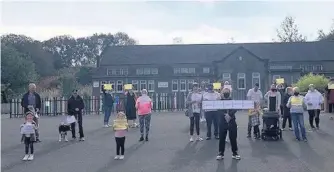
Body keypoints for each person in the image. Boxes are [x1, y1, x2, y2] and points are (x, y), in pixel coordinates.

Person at [216, 88, 240, 160]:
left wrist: (229, 115)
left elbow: (235, 109)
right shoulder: (219, 101)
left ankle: (235, 153)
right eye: (224, 92)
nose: (226, 93)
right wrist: (224, 115)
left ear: (229, 93)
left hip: (232, 120)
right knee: (222, 138)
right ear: (222, 93)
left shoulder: (232, 101)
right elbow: (218, 110)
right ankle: (221, 153)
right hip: (222, 121)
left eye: (227, 92)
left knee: (233, 137)